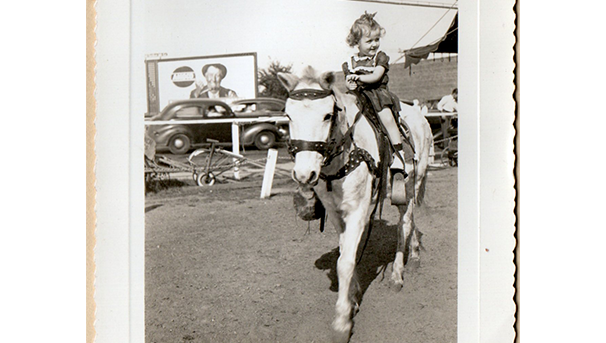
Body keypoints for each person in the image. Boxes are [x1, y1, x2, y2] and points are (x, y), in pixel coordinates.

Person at [342, 12, 407, 200]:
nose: (374, 45)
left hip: (377, 94)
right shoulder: (350, 61)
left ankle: (398, 155)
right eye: (369, 41)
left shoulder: (380, 57)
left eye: (376, 40)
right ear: (357, 42)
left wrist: (360, 78)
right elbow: (348, 83)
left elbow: (376, 76)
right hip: (358, 96)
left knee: (386, 117)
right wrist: (351, 84)